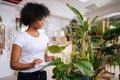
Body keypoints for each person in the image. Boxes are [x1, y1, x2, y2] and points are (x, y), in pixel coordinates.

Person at [10, 2, 56, 80]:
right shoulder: (20, 38)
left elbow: (45, 57)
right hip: (26, 76)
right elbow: (13, 65)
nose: (43, 22)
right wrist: (31, 65)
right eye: (40, 19)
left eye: (44, 19)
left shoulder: (44, 37)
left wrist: (50, 58)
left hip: (42, 73)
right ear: (32, 19)